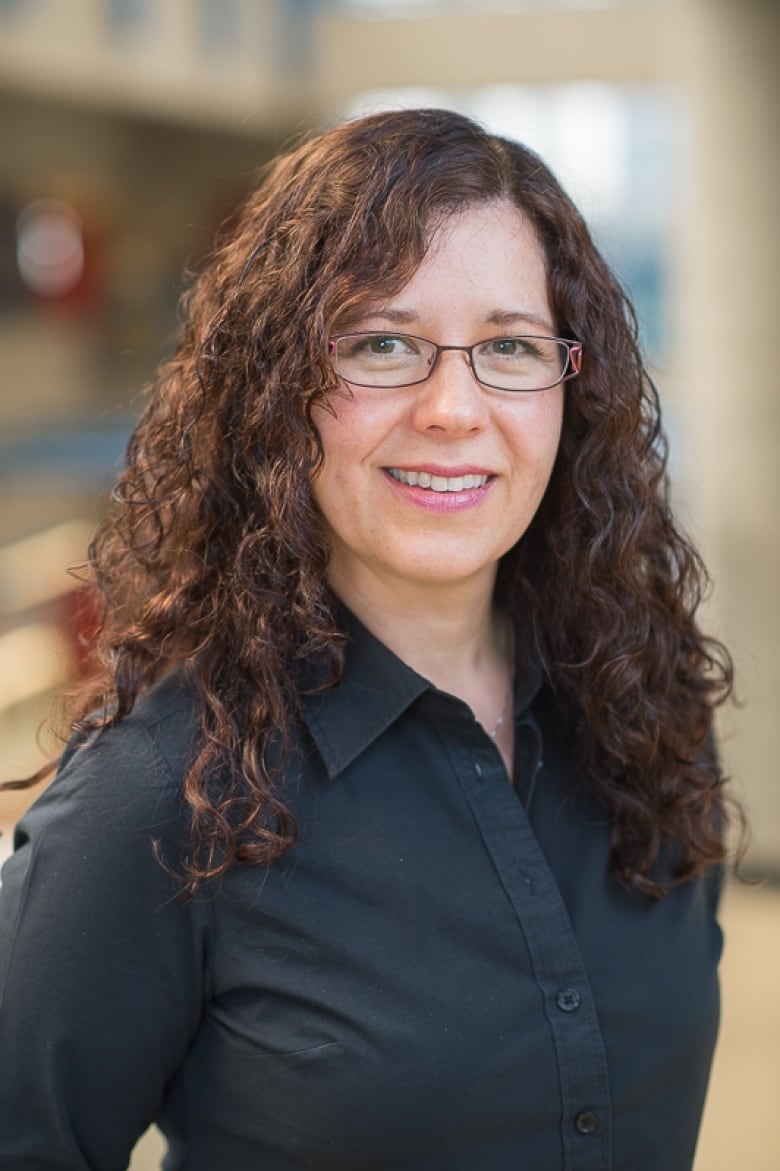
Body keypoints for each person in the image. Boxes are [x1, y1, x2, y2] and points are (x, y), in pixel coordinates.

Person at [0, 107, 738, 1171]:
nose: (452, 407)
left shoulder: (647, 718)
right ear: (280, 390)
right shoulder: (160, 793)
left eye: (510, 347)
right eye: (383, 343)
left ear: (572, 390)